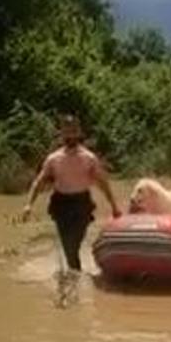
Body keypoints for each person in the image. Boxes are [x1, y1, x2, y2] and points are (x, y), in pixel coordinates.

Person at [22, 115, 121, 272]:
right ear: (61, 134)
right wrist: (28, 205)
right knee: (69, 245)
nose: (70, 136)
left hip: (82, 203)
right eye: (67, 132)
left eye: (73, 131)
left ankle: (72, 276)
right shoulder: (53, 159)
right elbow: (38, 183)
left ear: (79, 133)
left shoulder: (89, 158)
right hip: (61, 204)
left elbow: (103, 183)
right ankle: (74, 278)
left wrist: (114, 206)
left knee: (73, 243)